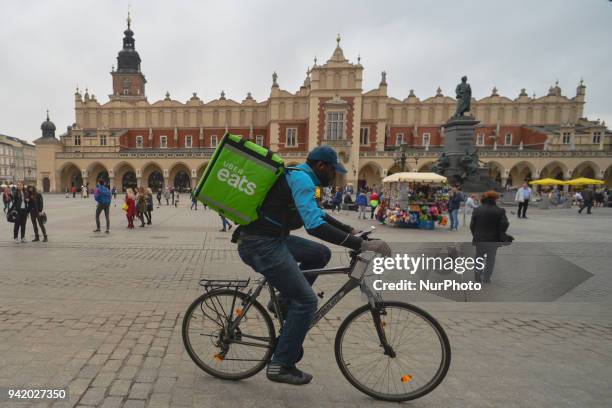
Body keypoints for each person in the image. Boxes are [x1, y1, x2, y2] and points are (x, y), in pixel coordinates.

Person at [236, 146, 391, 385]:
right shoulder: (302, 179)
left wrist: (350, 232)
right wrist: (359, 245)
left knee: (320, 254)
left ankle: (286, 301)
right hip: (260, 244)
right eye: (332, 170)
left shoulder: (303, 177)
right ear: (321, 166)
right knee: (307, 301)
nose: (333, 175)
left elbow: (318, 213)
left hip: (273, 238)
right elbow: (314, 226)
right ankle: (281, 364)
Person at [470, 191, 510, 283]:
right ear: (495, 199)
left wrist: (476, 235)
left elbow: (472, 225)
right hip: (494, 239)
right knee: (491, 258)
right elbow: (504, 224)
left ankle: (477, 272)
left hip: (479, 239)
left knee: (479, 256)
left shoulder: (477, 210)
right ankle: (487, 277)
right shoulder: (500, 211)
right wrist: (501, 233)